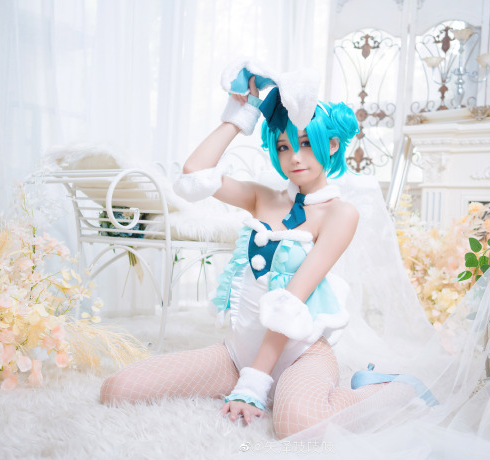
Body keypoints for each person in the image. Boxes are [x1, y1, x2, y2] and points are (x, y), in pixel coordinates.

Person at [99, 63, 432, 439]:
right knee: (117, 390)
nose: (295, 157)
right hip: (237, 354)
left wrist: (254, 382)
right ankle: (259, 379)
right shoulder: (263, 197)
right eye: (284, 146)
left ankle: (390, 389)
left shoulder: (341, 214)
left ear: (332, 145)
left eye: (306, 143)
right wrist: (241, 114)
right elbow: (193, 175)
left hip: (300, 355)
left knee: (297, 425)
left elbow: (291, 301)